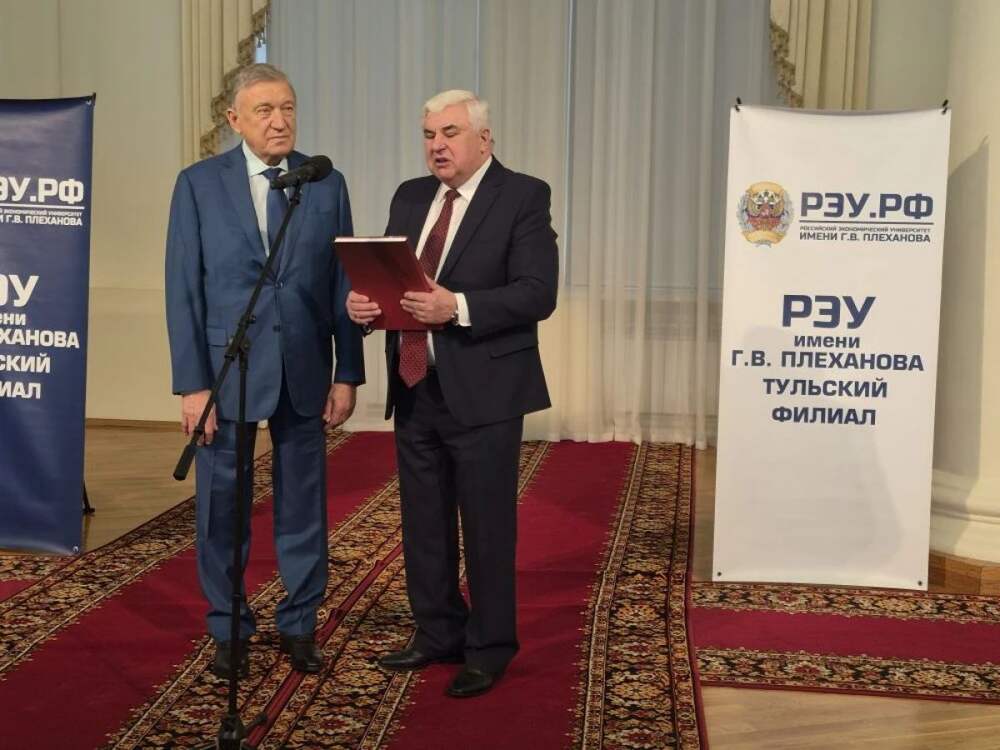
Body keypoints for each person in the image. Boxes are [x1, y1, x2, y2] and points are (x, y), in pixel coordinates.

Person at [347, 90, 558, 698]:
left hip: (486, 390)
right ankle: (438, 630)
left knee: (486, 525)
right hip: (416, 383)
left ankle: (489, 647)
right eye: (428, 135)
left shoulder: (522, 196)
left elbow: (537, 292)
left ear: (483, 139)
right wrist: (365, 307)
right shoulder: (410, 197)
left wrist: (457, 307)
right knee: (423, 520)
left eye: (450, 133)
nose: (437, 146)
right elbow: (394, 284)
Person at [165, 63, 364, 679]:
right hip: (228, 371)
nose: (280, 121)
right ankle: (228, 627)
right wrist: (193, 385)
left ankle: (300, 623)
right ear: (235, 119)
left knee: (303, 503)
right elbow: (184, 289)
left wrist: (347, 372)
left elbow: (344, 283)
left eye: (288, 108)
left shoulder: (325, 182)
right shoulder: (198, 184)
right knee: (222, 507)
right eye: (264, 111)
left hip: (304, 366)